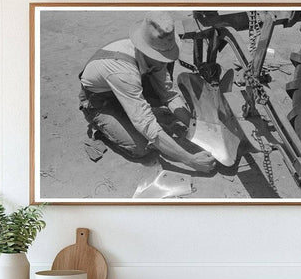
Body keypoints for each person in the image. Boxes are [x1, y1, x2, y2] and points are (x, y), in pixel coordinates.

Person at [79, 11, 215, 173]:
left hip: (128, 88)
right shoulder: (122, 71)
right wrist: (190, 160)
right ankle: (103, 126)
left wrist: (196, 127)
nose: (164, 60)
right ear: (146, 50)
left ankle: (129, 112)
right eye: (161, 56)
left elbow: (169, 95)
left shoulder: (156, 51)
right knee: (142, 147)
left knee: (154, 102)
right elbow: (147, 124)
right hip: (101, 101)